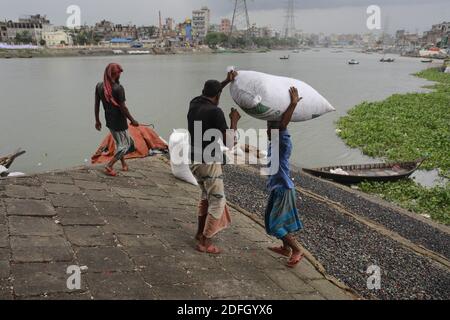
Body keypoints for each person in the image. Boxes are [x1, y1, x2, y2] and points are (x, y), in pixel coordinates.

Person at [188, 70, 240, 255]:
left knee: (205, 196)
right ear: (217, 96)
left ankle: (199, 233)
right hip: (208, 162)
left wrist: (226, 81)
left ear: (203, 92)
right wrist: (234, 122)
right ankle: (205, 242)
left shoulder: (194, 103)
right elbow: (229, 143)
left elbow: (213, 93)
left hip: (193, 160)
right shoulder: (216, 112)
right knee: (217, 201)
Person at [265, 87, 305, 268]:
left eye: (270, 127)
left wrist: (293, 104)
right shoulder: (274, 140)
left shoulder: (282, 140)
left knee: (275, 225)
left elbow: (282, 125)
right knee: (272, 219)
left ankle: (296, 249)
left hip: (283, 188)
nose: (267, 130)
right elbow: (276, 126)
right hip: (277, 187)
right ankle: (285, 248)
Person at [95, 63, 139, 177]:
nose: (120, 76)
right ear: (116, 74)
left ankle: (124, 163)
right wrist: (133, 120)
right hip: (119, 121)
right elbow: (123, 108)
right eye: (120, 73)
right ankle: (109, 166)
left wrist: (97, 120)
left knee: (120, 142)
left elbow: (96, 105)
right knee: (126, 145)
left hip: (109, 120)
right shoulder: (118, 88)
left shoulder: (99, 86)